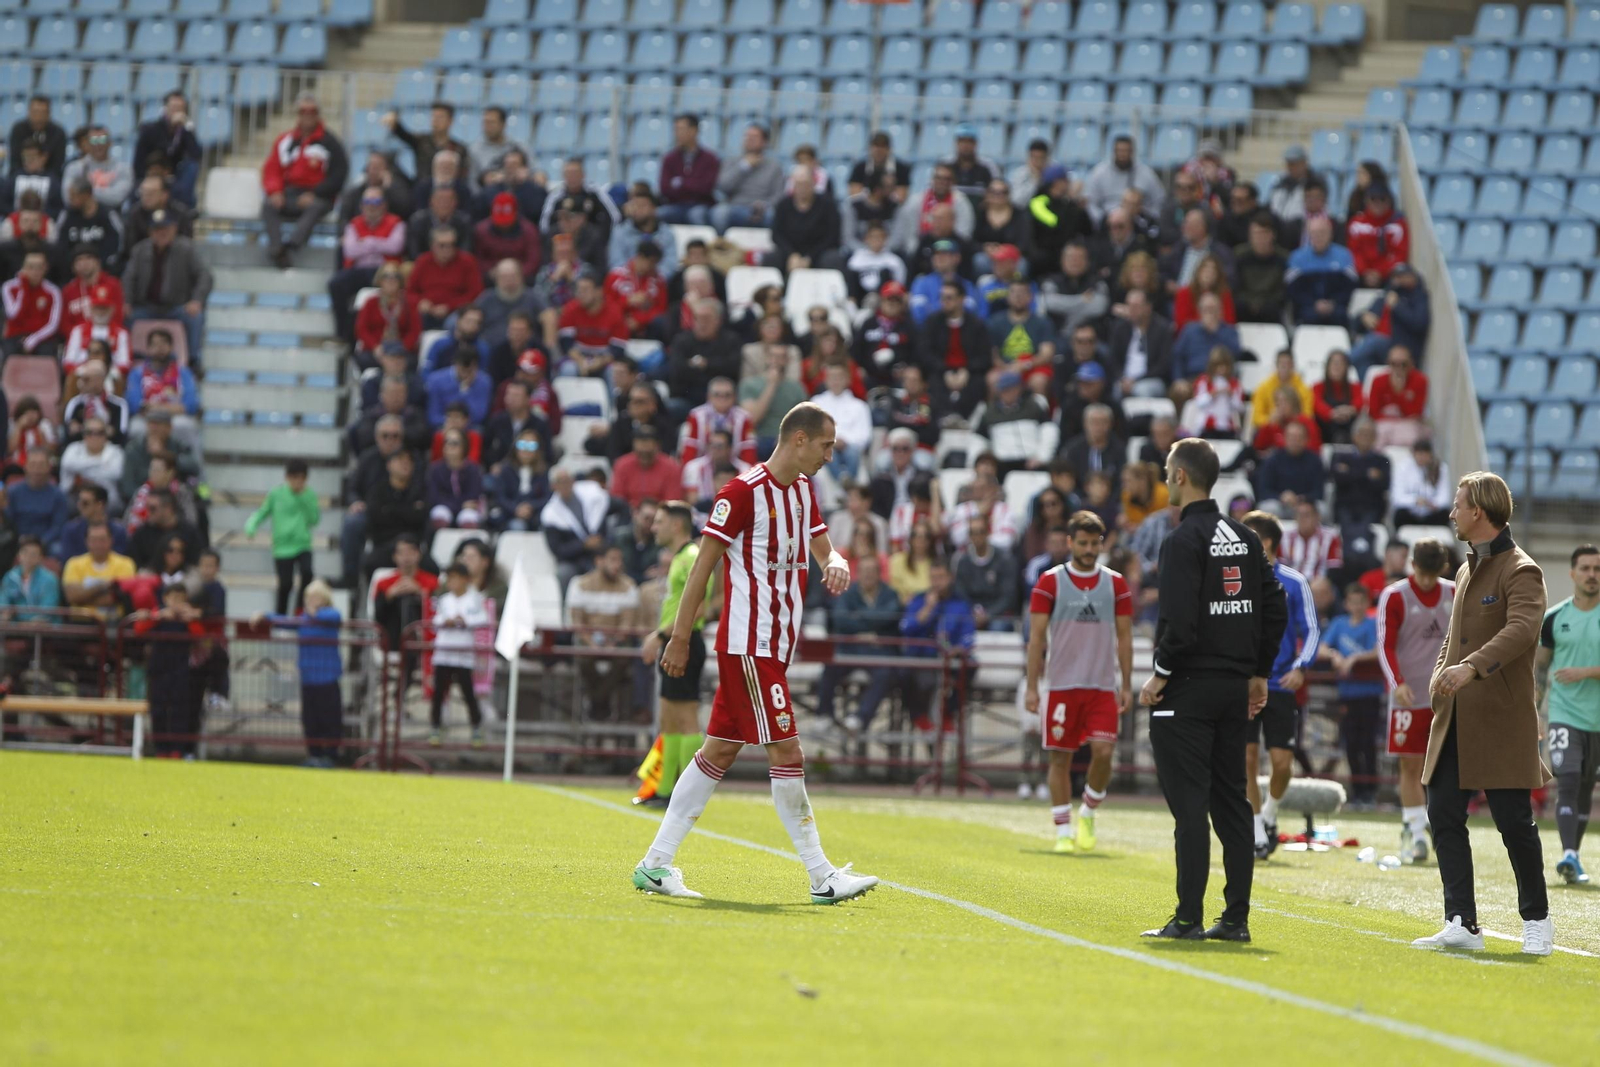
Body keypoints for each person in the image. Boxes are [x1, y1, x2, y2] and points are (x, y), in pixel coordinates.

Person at [633, 403, 879, 904]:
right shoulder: (741, 493)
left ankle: (655, 864)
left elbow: (824, 548)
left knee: (717, 752)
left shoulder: (804, 492)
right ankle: (821, 876)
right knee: (788, 751)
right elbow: (702, 569)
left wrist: (838, 562)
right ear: (800, 440)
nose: (832, 456)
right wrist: (679, 636)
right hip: (751, 645)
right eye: (827, 446)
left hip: (774, 647)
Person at [1138, 439, 1286, 941]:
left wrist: (1160, 672)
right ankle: (1236, 920)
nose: (1164, 480)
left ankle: (1187, 920)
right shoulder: (1245, 539)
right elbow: (1276, 606)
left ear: (1180, 477)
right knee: (1232, 803)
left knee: (1189, 808)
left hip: (1187, 691)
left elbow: (1178, 624)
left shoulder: (1181, 541)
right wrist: (1259, 671)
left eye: (1166, 472)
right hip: (1233, 692)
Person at [1412, 472, 1552, 956]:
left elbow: (1523, 630)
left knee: (1514, 821)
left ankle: (1537, 920)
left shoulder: (1522, 569)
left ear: (1480, 511)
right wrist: (1439, 676)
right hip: (1455, 716)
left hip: (1501, 718)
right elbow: (1453, 636)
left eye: (1457, 505)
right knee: (1443, 812)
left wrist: (1470, 667)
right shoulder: (1466, 570)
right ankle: (1462, 922)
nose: (1451, 513)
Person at [1024, 510, 1133, 851]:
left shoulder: (1115, 583)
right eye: (1082, 543)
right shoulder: (1050, 582)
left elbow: (1125, 637)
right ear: (1070, 542)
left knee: (1103, 753)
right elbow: (1037, 639)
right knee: (1060, 758)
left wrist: (1126, 683)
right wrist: (1032, 685)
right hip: (1061, 685)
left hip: (1101, 685)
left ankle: (1088, 809)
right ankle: (1062, 832)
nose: (1088, 549)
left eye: (1094, 543)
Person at [1239, 511, 1320, 860]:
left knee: (1283, 763)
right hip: (1242, 684)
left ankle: (1269, 814)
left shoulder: (1293, 582)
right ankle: (1257, 830)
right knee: (1246, 758)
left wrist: (1302, 665)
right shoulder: (1234, 579)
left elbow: (1312, 630)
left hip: (1281, 684)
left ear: (1267, 541)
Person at [1375, 537, 1455, 859]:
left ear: (1443, 569)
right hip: (1408, 696)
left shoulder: (1453, 591)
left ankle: (1440, 824)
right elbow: (1385, 644)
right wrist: (1397, 682)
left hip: (1445, 697)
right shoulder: (1395, 595)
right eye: (1422, 573)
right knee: (1410, 765)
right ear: (1412, 566)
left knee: (1445, 766)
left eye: (1432, 574)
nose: (1426, 581)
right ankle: (1415, 831)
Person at [634, 502, 711, 807]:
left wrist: (662, 635)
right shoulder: (681, 558)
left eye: (660, 522)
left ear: (677, 525)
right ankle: (666, 792)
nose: (654, 527)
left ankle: (688, 794)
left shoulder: (692, 557)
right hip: (676, 641)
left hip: (685, 643)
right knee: (669, 720)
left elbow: (700, 608)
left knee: (685, 719)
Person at [1537, 544, 1600, 886]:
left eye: (1597, 569)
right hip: (1564, 713)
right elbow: (1540, 669)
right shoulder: (1554, 618)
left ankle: (1573, 854)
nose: (1592, 575)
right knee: (1569, 779)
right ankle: (1568, 854)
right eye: (1586, 568)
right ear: (1573, 573)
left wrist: (1586, 671)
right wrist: (1535, 712)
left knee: (1587, 786)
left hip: (1597, 719)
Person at [257, 580, 344, 767]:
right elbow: (286, 621)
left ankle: (331, 755)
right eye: (309, 597)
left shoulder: (330, 616)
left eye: (316, 597)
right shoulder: (304, 619)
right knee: (310, 719)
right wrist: (265, 616)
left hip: (327, 678)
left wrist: (314, 611)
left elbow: (334, 617)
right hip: (308, 677)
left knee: (330, 718)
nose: (311, 601)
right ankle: (314, 754)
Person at [260, 93, 347, 269]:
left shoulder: (330, 143)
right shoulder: (285, 141)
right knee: (268, 205)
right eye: (303, 111)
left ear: (318, 114)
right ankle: (277, 248)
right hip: (290, 192)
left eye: (312, 111)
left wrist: (315, 193)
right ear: (297, 114)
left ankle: (292, 246)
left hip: (319, 195)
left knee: (315, 207)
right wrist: (275, 191)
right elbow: (272, 169)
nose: (307, 115)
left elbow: (339, 175)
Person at [1319, 581, 1385, 808]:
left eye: (1361, 602)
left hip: (1369, 692)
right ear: (1346, 604)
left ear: (1367, 603)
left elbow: (1380, 649)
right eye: (1352, 602)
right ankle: (1358, 792)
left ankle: (1370, 791)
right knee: (1351, 743)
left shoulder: (1374, 623)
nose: (1356, 606)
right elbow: (1322, 648)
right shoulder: (1339, 624)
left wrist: (1355, 659)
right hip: (1347, 693)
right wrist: (1336, 656)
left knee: (1368, 743)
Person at [123, 211, 212, 365]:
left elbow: (205, 276)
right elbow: (128, 278)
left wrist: (197, 300)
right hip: (146, 306)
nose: (161, 233)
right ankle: (127, 358)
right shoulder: (140, 250)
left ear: (174, 229)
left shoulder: (186, 249)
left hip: (176, 307)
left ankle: (192, 361)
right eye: (157, 230)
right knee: (124, 317)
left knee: (195, 318)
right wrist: (126, 301)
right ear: (150, 232)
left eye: (165, 229)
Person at [245, 458, 321, 616]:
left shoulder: (309, 495)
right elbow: (262, 512)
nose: (297, 482)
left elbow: (314, 519)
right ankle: (280, 617)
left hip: (302, 544)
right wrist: (251, 526)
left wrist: (304, 500)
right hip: (282, 547)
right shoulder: (276, 494)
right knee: (285, 584)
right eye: (294, 477)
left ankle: (300, 612)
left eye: (301, 478)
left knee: (307, 573)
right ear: (287, 477)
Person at [429, 562, 491, 747]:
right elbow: (435, 620)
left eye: (456, 578)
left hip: (463, 654)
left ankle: (476, 728)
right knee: (439, 693)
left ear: (466, 580)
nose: (452, 582)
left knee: (468, 694)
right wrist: (445, 621)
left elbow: (483, 619)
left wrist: (466, 620)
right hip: (444, 652)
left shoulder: (475, 599)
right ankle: (435, 727)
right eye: (450, 578)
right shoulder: (444, 599)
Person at [1349, 263, 1429, 376]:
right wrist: (1363, 317)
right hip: (1377, 347)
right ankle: (1365, 392)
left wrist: (1398, 306)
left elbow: (1419, 324)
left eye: (1403, 276)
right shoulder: (1385, 296)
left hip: (1401, 347)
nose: (1398, 280)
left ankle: (1342, 361)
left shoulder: (1418, 298)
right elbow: (1354, 324)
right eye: (1396, 276)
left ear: (1413, 277)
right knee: (1363, 362)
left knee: (1373, 340)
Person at [711, 123, 785, 234]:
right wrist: (744, 166)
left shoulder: (774, 167)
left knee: (773, 216)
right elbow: (723, 186)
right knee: (719, 213)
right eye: (746, 136)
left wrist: (764, 205)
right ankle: (721, 247)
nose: (749, 140)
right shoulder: (732, 161)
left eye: (754, 137)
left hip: (762, 209)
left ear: (765, 142)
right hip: (735, 207)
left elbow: (778, 195)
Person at [1285, 216, 1358, 327]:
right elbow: (1294, 290)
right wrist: (1313, 304)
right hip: (1307, 308)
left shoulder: (1344, 255)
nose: (1318, 237)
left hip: (1336, 308)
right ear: (1309, 235)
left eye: (1322, 232)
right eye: (1314, 233)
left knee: (1340, 317)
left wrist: (1333, 303)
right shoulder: (1297, 257)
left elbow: (1349, 288)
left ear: (1330, 234)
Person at [408, 228, 484, 330]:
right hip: (426, 311)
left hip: (456, 312)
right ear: (432, 246)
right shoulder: (423, 261)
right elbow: (410, 291)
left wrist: (450, 306)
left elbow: (475, 293)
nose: (447, 249)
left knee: (454, 324)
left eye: (451, 244)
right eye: (442, 245)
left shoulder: (467, 261)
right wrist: (420, 302)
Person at [811, 361, 872, 485]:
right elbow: (812, 431)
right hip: (826, 446)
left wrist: (845, 441)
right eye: (832, 377)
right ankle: (846, 484)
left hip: (851, 447)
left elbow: (865, 435)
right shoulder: (816, 403)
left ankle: (847, 483)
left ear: (847, 380)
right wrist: (832, 441)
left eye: (839, 377)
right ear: (826, 380)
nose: (836, 381)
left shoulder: (859, 406)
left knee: (852, 452)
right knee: (828, 451)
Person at [1084, 134, 1165, 226]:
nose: (1122, 154)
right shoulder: (1099, 173)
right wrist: (1102, 220)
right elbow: (1091, 203)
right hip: (1107, 223)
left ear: (1132, 152)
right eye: (1119, 151)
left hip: (1138, 224)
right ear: (1113, 152)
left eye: (1126, 151)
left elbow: (1159, 200)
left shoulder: (1146, 173)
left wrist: (1149, 217)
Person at [63, 522, 136, 621]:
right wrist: (104, 585)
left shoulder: (125, 563)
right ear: (86, 541)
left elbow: (121, 598)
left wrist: (83, 599)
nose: (98, 544)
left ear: (111, 540)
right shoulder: (73, 563)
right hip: (81, 622)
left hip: (114, 622)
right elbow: (72, 597)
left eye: (102, 540)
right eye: (93, 540)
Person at [1365, 344, 1428, 448]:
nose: (1398, 368)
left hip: (1408, 425)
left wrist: (1399, 392)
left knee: (1412, 436)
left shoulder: (1420, 381)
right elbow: (1373, 412)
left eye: (1403, 364)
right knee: (1376, 436)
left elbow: (1415, 413)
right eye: (1394, 364)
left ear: (1411, 363)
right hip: (1383, 424)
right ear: (1388, 363)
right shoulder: (1378, 380)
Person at [0, 250, 62, 356]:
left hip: (42, 337)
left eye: (39, 267)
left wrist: (34, 339)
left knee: (47, 354)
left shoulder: (53, 291)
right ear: (23, 268)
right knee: (10, 354)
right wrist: (24, 288)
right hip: (15, 335)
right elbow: (13, 314)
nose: (35, 271)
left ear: (45, 268)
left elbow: (53, 324)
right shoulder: (8, 287)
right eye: (30, 267)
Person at [1346, 184, 1409, 288]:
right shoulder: (1357, 223)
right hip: (1361, 273)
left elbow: (1399, 254)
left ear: (1389, 201)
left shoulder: (1398, 224)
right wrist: (1365, 271)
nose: (1377, 203)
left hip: (1388, 275)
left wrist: (1380, 272)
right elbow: (1354, 251)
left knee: (1403, 278)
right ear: (1366, 201)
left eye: (1382, 199)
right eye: (1373, 199)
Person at [1170, 293, 1240, 381]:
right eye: (1205, 309)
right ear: (1199, 311)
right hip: (1192, 379)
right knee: (1179, 391)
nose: (1209, 313)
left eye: (1212, 309)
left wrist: (1215, 332)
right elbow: (1177, 356)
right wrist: (1178, 379)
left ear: (1220, 311)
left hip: (1219, 379)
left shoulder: (1230, 331)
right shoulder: (1189, 330)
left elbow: (1236, 354)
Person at [0, 536, 60, 618]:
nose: (28, 557)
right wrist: (5, 615)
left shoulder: (50, 579)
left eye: (33, 554)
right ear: (18, 555)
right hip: (15, 626)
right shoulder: (10, 577)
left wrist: (31, 625)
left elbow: (48, 610)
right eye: (25, 552)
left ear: (40, 558)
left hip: (44, 627)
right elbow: (3, 602)